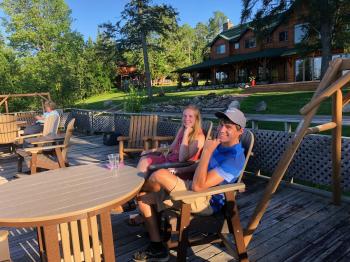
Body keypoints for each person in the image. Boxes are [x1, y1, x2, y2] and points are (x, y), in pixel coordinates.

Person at [132, 108, 247, 261]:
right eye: (221, 124)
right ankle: (157, 246)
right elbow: (198, 167)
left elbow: (198, 187)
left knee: (158, 175)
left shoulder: (235, 158)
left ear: (240, 131)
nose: (222, 129)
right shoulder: (220, 145)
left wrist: (206, 152)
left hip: (207, 201)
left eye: (229, 127)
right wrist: (176, 172)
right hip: (193, 187)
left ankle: (129, 200)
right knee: (143, 196)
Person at [137, 105, 206, 175]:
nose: (186, 119)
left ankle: (140, 183)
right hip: (169, 159)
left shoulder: (199, 137)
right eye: (184, 116)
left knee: (145, 164)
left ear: (196, 119)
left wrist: (186, 134)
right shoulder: (182, 129)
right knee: (144, 159)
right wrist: (151, 150)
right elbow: (171, 147)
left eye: (190, 116)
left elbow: (182, 159)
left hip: (178, 167)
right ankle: (139, 183)